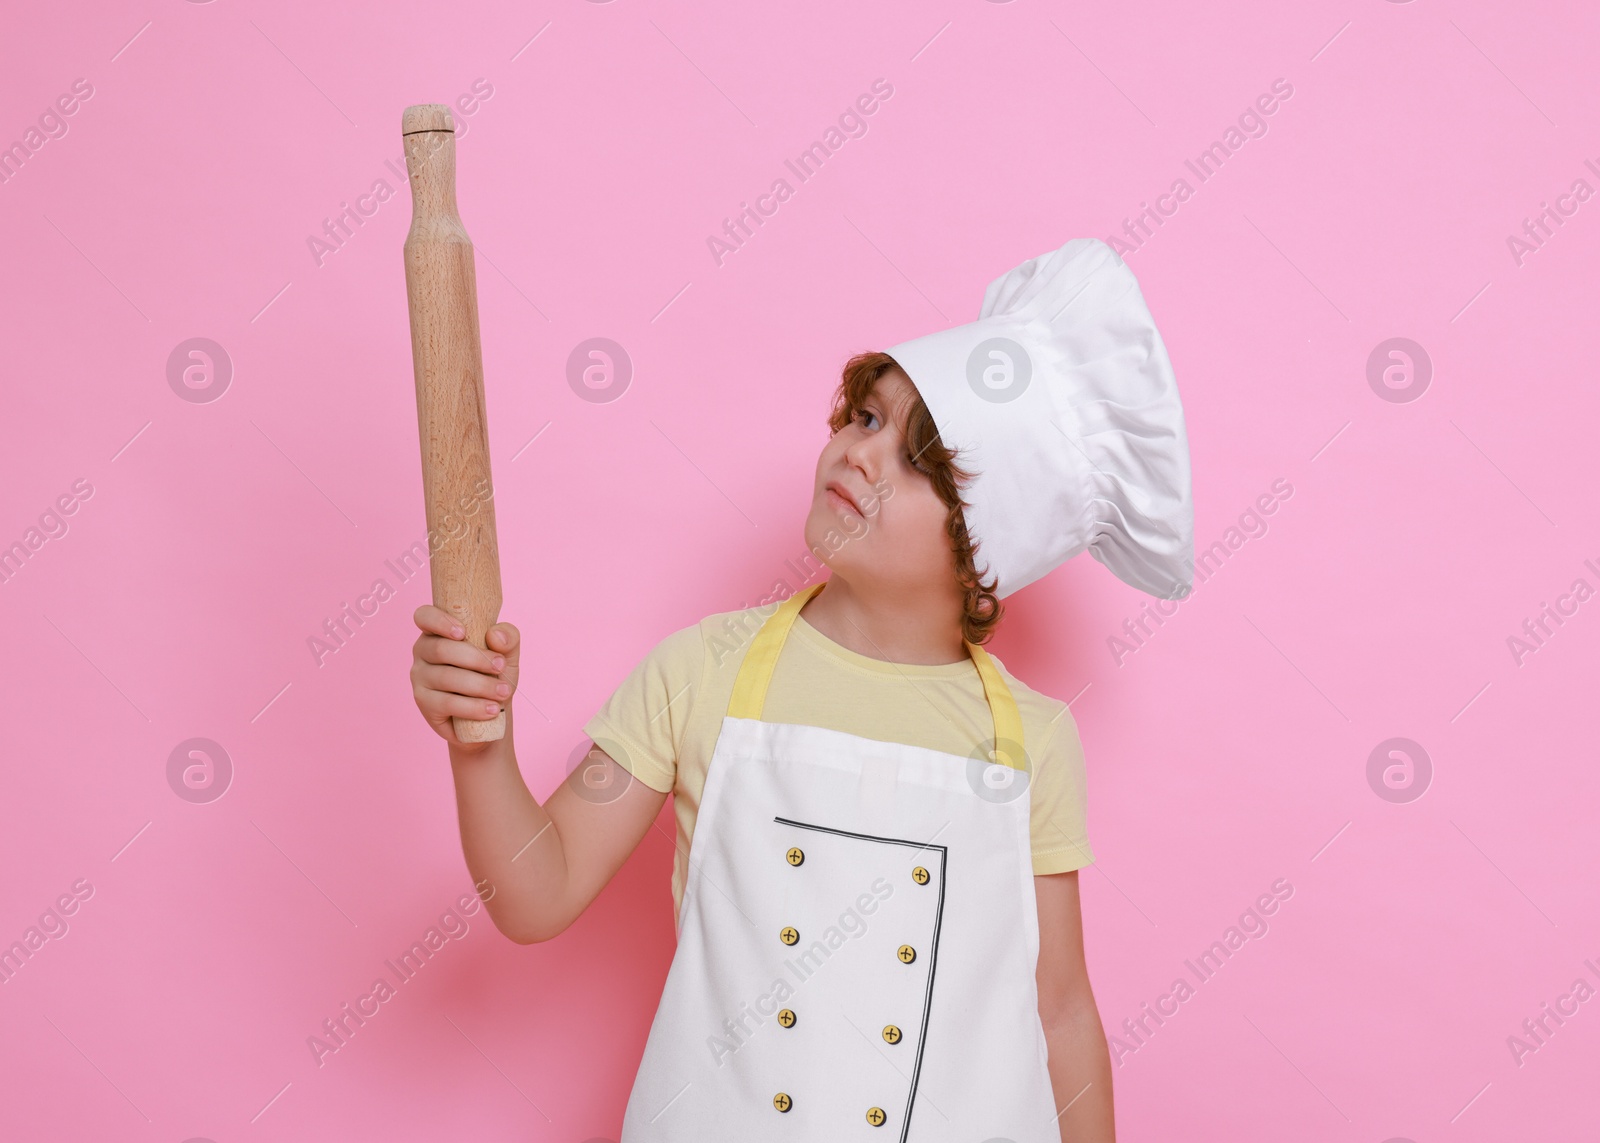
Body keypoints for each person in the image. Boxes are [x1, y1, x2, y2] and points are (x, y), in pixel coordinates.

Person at [409, 236, 1192, 1142]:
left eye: (918, 462)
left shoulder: (1031, 742)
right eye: (865, 417)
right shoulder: (703, 672)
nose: (861, 456)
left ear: (990, 549)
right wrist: (481, 738)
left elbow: (1058, 1010)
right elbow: (536, 891)